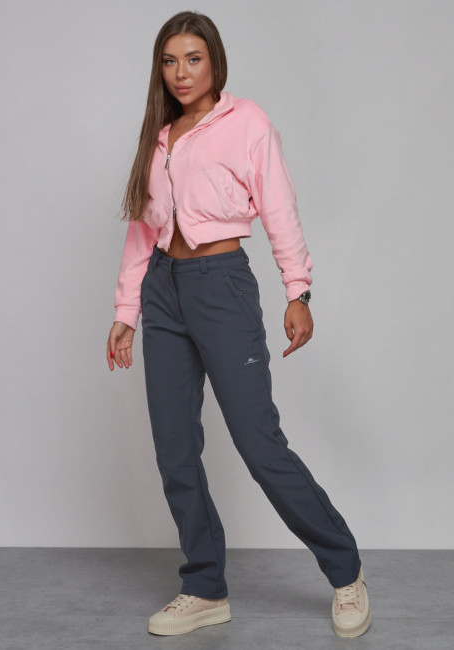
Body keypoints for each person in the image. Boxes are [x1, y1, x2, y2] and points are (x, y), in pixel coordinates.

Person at [106, 10, 372, 639]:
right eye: (170, 60)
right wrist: (125, 313)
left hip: (221, 286)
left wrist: (298, 290)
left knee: (259, 445)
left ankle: (346, 572)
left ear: (214, 61)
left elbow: (279, 206)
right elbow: (143, 231)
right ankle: (204, 586)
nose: (181, 72)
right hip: (162, 293)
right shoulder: (160, 136)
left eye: (193, 58)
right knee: (175, 449)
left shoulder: (246, 122)